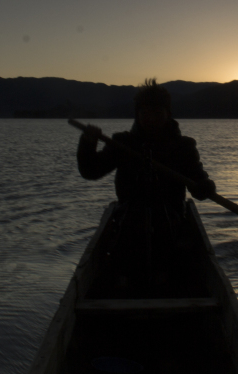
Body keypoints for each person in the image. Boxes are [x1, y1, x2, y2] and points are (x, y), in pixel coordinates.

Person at [77, 78, 216, 294]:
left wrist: (205, 185)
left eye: (157, 113)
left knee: (169, 238)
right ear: (137, 115)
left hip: (171, 222)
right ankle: (125, 283)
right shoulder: (122, 143)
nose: (150, 119)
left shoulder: (183, 147)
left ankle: (166, 282)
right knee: (132, 226)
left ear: (167, 114)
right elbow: (91, 171)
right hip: (128, 222)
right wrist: (88, 142)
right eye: (145, 113)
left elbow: (197, 180)